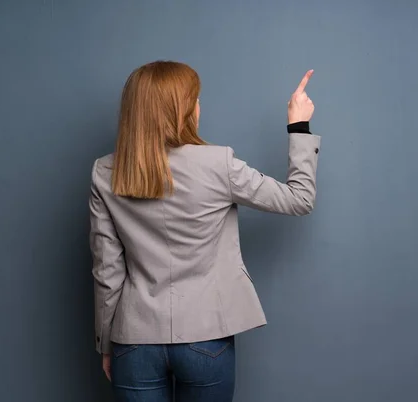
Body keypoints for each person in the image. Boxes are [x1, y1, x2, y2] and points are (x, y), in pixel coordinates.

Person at [88, 60, 321, 402]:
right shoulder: (218, 164)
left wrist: (107, 343)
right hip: (206, 337)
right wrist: (298, 125)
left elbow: (107, 271)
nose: (200, 106)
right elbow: (299, 199)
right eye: (195, 99)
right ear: (182, 110)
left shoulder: (105, 171)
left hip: (133, 341)